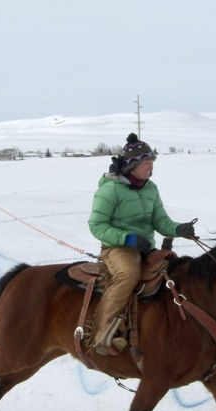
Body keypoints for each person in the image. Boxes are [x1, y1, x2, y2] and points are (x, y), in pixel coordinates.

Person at [88, 133, 196, 355]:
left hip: (145, 247)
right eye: (147, 163)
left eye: (152, 162)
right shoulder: (110, 189)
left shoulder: (150, 188)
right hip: (117, 248)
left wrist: (178, 229)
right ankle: (102, 335)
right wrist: (126, 238)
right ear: (132, 165)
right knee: (128, 274)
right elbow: (97, 225)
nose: (151, 167)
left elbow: (160, 220)